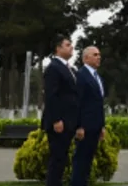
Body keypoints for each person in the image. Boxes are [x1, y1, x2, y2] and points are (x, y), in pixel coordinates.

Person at [42, 36, 79, 186]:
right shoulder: (54, 68)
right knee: (57, 160)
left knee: (62, 159)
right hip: (59, 123)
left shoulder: (70, 69)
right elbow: (51, 96)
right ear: (58, 49)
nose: (71, 47)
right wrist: (56, 119)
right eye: (68, 45)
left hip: (69, 121)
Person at [71, 46, 107, 186]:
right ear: (86, 58)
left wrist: (102, 126)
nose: (99, 57)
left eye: (99, 55)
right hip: (84, 128)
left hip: (95, 126)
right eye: (95, 54)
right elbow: (77, 103)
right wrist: (79, 126)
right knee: (80, 161)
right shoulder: (80, 76)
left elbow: (98, 104)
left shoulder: (98, 78)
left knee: (87, 163)